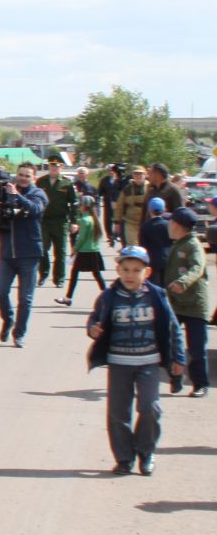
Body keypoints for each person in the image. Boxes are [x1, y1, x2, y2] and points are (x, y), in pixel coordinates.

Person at [86, 246, 185, 476]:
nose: (130, 275)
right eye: (126, 269)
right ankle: (124, 458)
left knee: (150, 408)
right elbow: (94, 320)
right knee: (118, 413)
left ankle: (146, 451)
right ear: (118, 269)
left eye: (136, 270)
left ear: (147, 272)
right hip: (119, 362)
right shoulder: (108, 296)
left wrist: (178, 357)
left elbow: (173, 328)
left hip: (148, 361)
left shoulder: (157, 296)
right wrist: (93, 329)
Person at [0, 162, 48, 347]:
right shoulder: (6, 190)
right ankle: (8, 319)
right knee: (0, 292)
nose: (23, 178)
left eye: (27, 175)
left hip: (29, 254)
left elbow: (35, 209)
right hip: (7, 254)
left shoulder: (38, 194)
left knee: (25, 298)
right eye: (21, 174)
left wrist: (17, 197)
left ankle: (19, 333)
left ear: (34, 178)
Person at [162, 207, 210, 397]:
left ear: (178, 225)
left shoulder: (193, 245)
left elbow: (197, 267)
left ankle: (200, 385)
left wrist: (183, 282)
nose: (168, 225)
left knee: (197, 348)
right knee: (172, 343)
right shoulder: (178, 243)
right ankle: (176, 378)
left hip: (194, 305)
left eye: (171, 221)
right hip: (177, 303)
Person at [56, 197, 108, 305]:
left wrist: (74, 249)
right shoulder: (92, 218)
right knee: (96, 274)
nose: (79, 207)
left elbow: (81, 238)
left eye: (80, 205)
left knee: (75, 273)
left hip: (85, 251)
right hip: (93, 250)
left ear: (85, 206)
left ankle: (68, 297)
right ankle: (107, 295)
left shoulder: (85, 220)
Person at [35, 158, 77, 288]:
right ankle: (43, 274)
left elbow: (74, 203)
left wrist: (74, 221)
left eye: (57, 166)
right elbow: (35, 198)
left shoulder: (66, 183)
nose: (54, 168)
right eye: (52, 166)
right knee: (42, 250)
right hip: (44, 221)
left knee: (61, 251)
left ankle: (59, 279)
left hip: (60, 221)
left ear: (61, 167)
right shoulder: (41, 181)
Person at [116, 169, 152, 253]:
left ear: (145, 175)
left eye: (140, 174)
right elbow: (119, 206)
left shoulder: (150, 188)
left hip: (146, 222)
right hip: (130, 222)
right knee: (132, 247)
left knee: (146, 246)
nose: (138, 176)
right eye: (136, 174)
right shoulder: (127, 189)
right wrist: (116, 222)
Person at [140, 196, 173, 286]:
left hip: (152, 261)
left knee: (154, 287)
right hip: (168, 258)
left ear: (150, 210)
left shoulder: (145, 226)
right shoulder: (168, 225)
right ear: (164, 210)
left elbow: (142, 246)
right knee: (166, 285)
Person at [97, 165, 125, 244]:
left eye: (113, 170)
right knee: (108, 220)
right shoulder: (104, 180)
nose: (111, 172)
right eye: (110, 170)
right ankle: (110, 235)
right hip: (108, 203)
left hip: (119, 203)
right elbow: (99, 192)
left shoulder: (121, 180)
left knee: (119, 219)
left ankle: (118, 235)